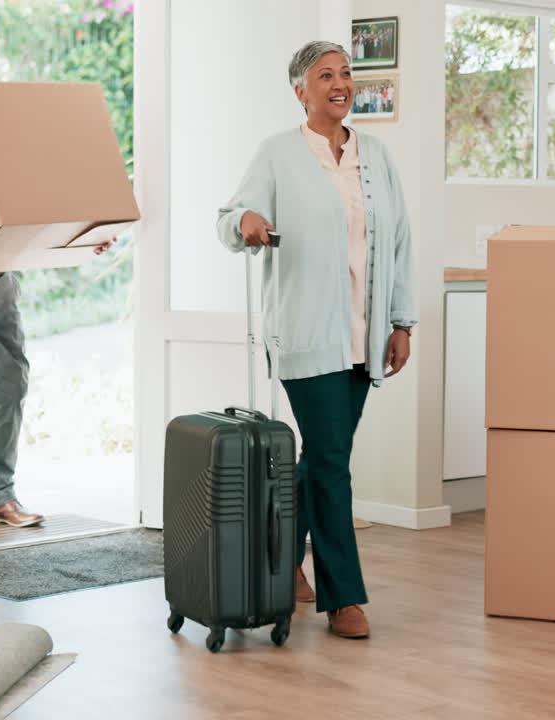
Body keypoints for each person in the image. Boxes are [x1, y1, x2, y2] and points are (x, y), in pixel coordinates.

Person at [216, 40, 416, 639]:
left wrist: (402, 321)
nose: (340, 83)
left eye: (346, 73)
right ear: (300, 90)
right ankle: (343, 598)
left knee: (322, 459)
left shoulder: (376, 156)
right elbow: (232, 217)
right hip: (307, 332)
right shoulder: (277, 154)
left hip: (365, 331)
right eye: (325, 75)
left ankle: (277, 562)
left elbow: (400, 240)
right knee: (332, 462)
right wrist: (246, 225)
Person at [0, 39, 113, 530]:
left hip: (1, 287)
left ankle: (1, 496)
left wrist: (83, 234)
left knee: (9, 390)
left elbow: (41, 197)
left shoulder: (5, 136)